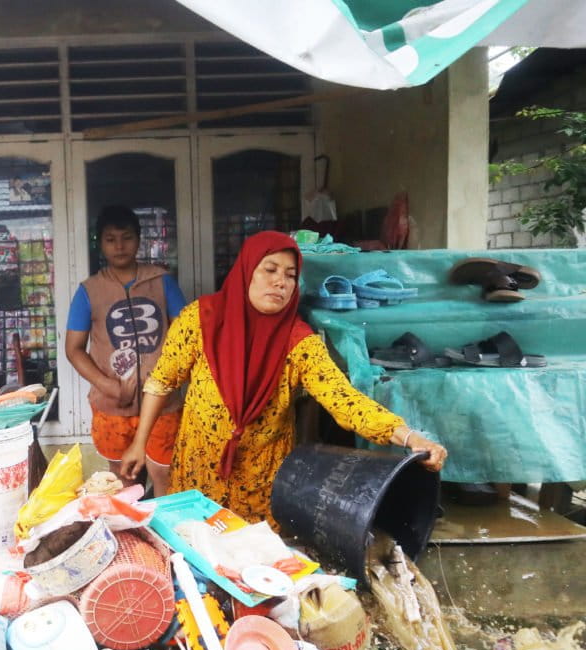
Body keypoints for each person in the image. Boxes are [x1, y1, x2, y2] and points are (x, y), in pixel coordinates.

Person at [119, 230, 447, 528]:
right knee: (198, 563)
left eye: (291, 276)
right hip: (197, 473)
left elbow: (345, 401)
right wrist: (139, 443)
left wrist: (408, 437)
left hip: (262, 485)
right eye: (270, 270)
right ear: (247, 271)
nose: (281, 282)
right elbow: (162, 381)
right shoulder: (201, 320)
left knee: (257, 572)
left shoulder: (298, 341)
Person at [65, 205, 188, 496]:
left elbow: (186, 335)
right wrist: (107, 385)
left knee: (164, 474)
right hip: (112, 406)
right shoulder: (89, 290)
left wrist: (170, 380)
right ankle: (133, 540)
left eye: (127, 237)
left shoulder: (162, 282)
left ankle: (163, 539)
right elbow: (74, 349)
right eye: (110, 239)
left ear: (139, 239)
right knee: (124, 481)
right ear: (100, 243)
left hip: (164, 403)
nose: (119, 246)